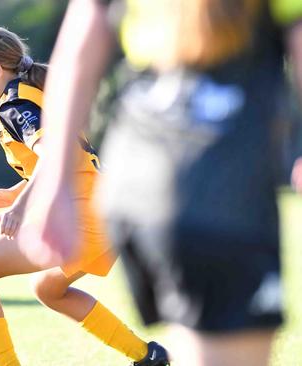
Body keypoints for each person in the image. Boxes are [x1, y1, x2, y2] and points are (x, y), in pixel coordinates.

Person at [29, 1, 302, 365]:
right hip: (225, 187)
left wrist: (55, 185)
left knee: (193, 342)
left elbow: (75, 56)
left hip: (136, 185)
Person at [0, 27, 169, 366]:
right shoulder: (34, 92)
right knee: (49, 289)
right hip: (105, 210)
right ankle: (148, 356)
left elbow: (54, 155)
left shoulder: (17, 103)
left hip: (86, 217)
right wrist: (15, 192)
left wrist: (21, 208)